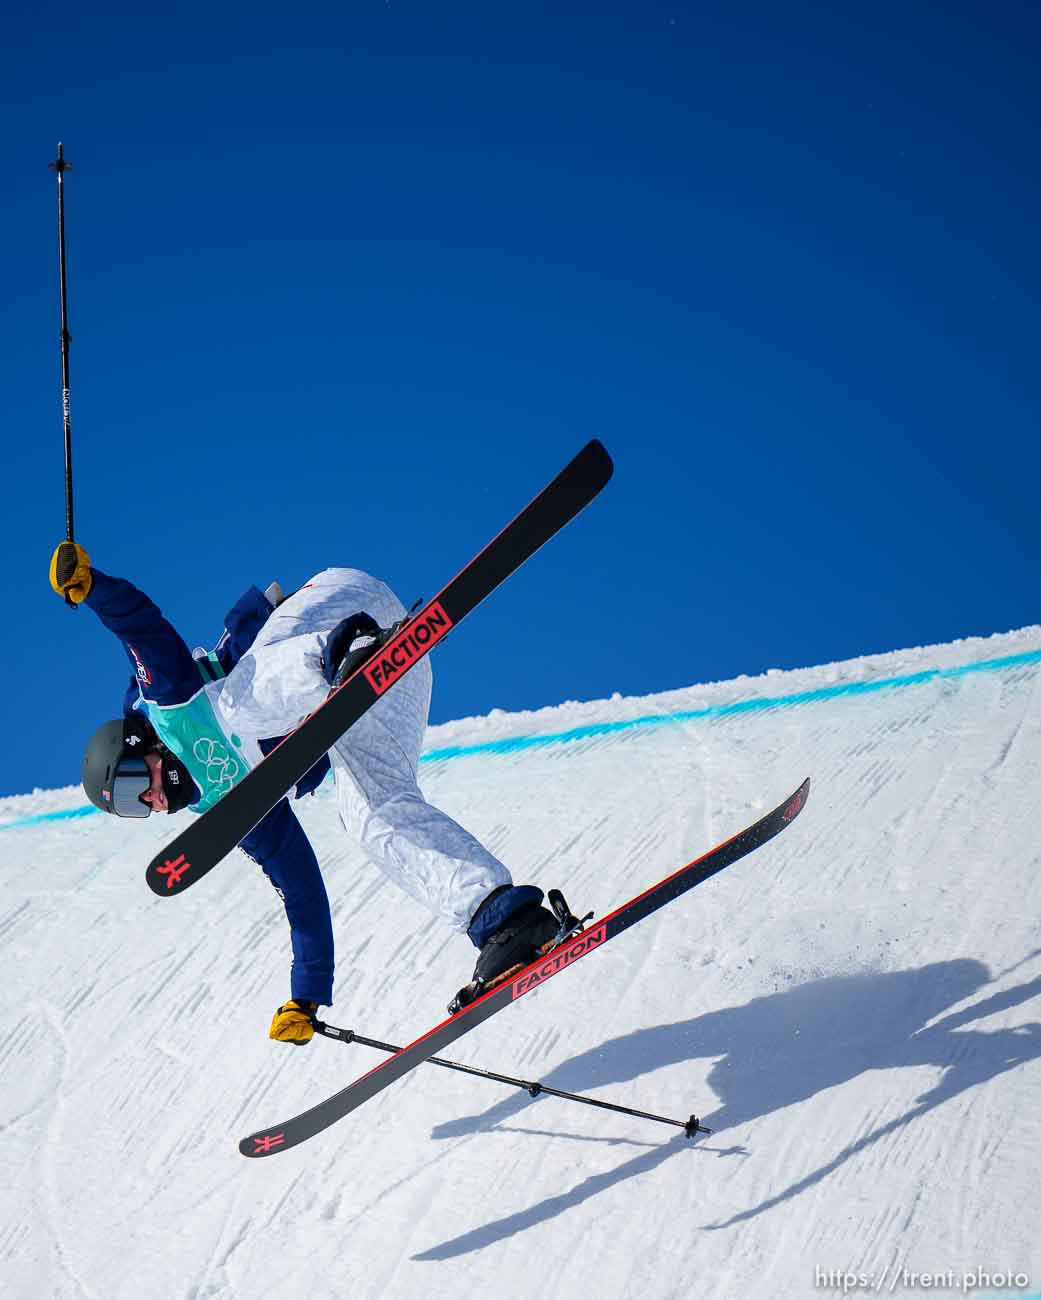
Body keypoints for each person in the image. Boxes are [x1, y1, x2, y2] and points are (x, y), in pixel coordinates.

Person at [50, 541, 563, 1041]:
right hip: (392, 677)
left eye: (135, 784)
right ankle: (504, 919)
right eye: (130, 808)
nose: (150, 802)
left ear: (140, 746)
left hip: (329, 613)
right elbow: (300, 890)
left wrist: (92, 587)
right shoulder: (230, 811)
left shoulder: (168, 701)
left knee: (235, 705)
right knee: (371, 814)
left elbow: (139, 624)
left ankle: (346, 652)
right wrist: (306, 994)